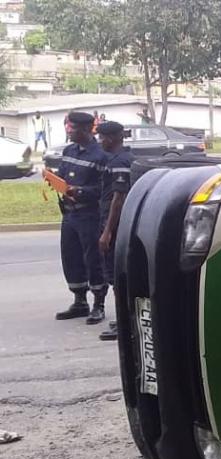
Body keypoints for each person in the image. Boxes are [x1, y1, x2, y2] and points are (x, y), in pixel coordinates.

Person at [54, 112, 109, 325]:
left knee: (93, 259)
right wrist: (54, 179)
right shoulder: (69, 151)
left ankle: (99, 305)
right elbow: (64, 177)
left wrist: (81, 192)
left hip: (89, 214)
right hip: (70, 214)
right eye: (67, 127)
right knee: (71, 257)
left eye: (72, 128)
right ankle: (80, 302)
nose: (68, 131)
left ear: (87, 130)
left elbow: (104, 189)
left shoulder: (100, 156)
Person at [96, 121, 133, 341]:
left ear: (111, 138)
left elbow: (118, 199)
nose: (100, 142)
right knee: (116, 276)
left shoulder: (120, 161)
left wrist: (107, 232)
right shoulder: (121, 158)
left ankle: (125, 324)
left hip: (116, 226)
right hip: (113, 224)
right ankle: (123, 319)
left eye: (102, 138)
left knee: (117, 277)